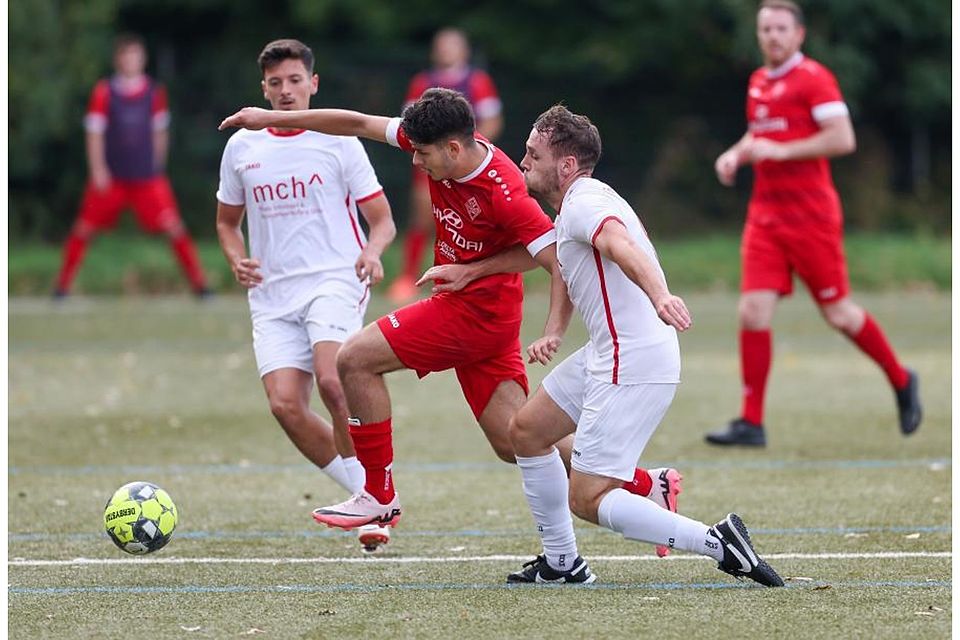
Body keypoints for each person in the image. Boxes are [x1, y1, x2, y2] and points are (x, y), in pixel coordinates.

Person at [219, 89, 682, 556]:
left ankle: (379, 495)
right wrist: (265, 119)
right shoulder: (436, 140)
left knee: (355, 359)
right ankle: (646, 483)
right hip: (487, 318)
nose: (416, 162)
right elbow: (358, 122)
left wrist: (498, 289)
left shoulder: (507, 192)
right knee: (515, 440)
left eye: (422, 154)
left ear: (454, 149)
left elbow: (556, 257)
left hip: (471, 314)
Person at [502, 105, 783, 586]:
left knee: (587, 498)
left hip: (630, 359)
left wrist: (660, 295)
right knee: (526, 431)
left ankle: (718, 543)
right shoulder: (575, 207)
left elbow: (617, 244)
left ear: (566, 166)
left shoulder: (585, 202)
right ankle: (561, 564)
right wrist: (553, 330)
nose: (523, 161)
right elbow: (572, 271)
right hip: (608, 351)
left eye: (533, 154)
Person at [706, 0, 921, 446]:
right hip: (765, 217)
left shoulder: (815, 79)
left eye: (782, 28)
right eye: (766, 29)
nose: (773, 36)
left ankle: (901, 379)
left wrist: (782, 151)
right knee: (752, 310)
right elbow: (759, 133)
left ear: (799, 34)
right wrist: (737, 153)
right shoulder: (759, 81)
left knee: (839, 314)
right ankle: (751, 422)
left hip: (811, 219)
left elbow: (843, 138)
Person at [215, 39, 397, 552]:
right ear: (264, 90)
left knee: (332, 378)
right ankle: (367, 493)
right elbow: (227, 223)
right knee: (286, 406)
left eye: (295, 80)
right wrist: (235, 258)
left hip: (334, 279)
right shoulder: (243, 147)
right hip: (272, 294)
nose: (286, 91)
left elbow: (381, 220)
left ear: (313, 84)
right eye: (276, 83)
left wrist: (374, 252)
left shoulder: (338, 140)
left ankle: (374, 495)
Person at [54, 34, 209, 298]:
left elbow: (160, 132)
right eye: (126, 56)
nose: (130, 61)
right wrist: (98, 169)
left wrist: (157, 166)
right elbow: (94, 132)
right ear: (118, 60)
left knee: (174, 227)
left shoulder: (154, 92)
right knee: (84, 228)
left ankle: (201, 287)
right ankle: (62, 288)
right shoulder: (104, 92)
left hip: (146, 177)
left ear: (142, 58)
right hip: (111, 177)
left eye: (135, 55)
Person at [386, 28, 504, 304]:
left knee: (473, 223)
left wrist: (469, 154)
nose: (445, 51)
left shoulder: (477, 81)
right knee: (423, 218)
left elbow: (493, 120)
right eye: (441, 46)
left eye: (452, 46)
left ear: (464, 51)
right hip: (431, 167)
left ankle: (473, 276)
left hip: (467, 169)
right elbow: (409, 124)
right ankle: (408, 278)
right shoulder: (422, 82)